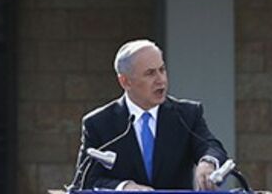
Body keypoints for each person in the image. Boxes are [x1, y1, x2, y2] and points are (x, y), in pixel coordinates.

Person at [72, 39, 228, 191]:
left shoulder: (187, 114)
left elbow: (212, 147)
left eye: (162, 69)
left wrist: (208, 163)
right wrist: (124, 187)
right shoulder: (99, 123)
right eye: (150, 73)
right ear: (125, 82)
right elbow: (85, 180)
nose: (161, 80)